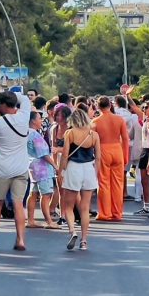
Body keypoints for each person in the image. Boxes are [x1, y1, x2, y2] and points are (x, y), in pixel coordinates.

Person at [0, 90, 32, 251]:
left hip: (2, 169)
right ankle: (21, 240)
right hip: (21, 168)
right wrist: (12, 96)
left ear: (3, 105)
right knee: (18, 203)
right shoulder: (24, 116)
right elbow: (24, 99)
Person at [59, 106, 100, 251]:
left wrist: (61, 171)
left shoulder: (69, 133)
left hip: (73, 168)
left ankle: (72, 231)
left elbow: (65, 155)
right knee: (85, 208)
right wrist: (96, 174)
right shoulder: (93, 135)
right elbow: (99, 158)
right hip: (89, 168)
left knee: (68, 206)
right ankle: (84, 240)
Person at [92, 96, 130, 222]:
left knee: (103, 183)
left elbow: (93, 140)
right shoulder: (119, 119)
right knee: (118, 183)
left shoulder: (96, 121)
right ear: (110, 105)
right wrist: (125, 156)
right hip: (117, 150)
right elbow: (125, 139)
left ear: (98, 106)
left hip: (103, 150)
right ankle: (117, 213)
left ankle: (105, 213)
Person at [26, 110, 59, 229]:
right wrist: (55, 166)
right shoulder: (35, 134)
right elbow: (43, 153)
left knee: (33, 193)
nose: (41, 121)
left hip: (32, 165)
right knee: (46, 194)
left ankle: (30, 220)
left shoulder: (26, 133)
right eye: (39, 118)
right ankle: (49, 221)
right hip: (42, 168)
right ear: (33, 121)